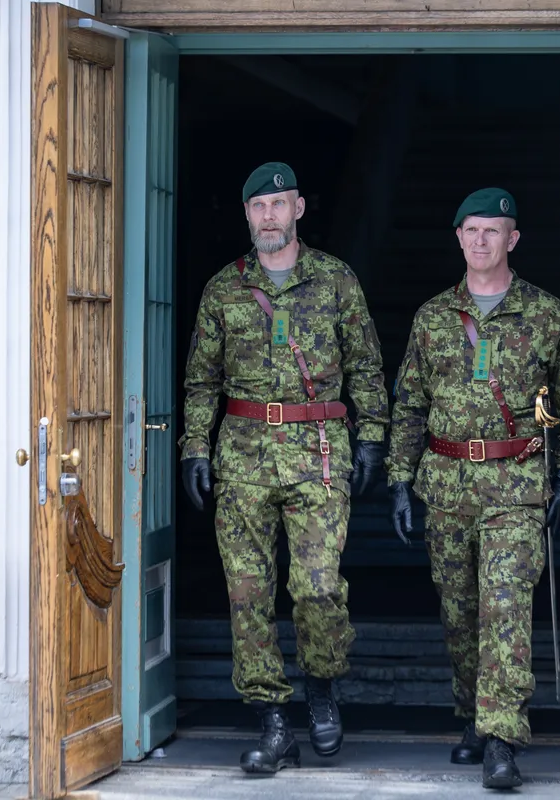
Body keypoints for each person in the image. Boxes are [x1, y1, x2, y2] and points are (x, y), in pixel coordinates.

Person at [179, 161, 388, 773]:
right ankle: (272, 721)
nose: (268, 216)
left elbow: (368, 367)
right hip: (243, 453)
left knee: (318, 589)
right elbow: (201, 378)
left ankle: (322, 685)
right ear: (247, 215)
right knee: (248, 596)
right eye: (257, 207)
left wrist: (372, 438)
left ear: (299, 209)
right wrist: (194, 445)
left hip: (317, 453)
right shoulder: (224, 288)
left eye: (279, 205)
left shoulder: (336, 281)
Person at [385, 188, 560, 789]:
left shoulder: (545, 314)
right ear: (458, 238)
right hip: (446, 485)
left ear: (513, 240)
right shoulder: (432, 318)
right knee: (460, 611)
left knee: (505, 607)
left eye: (493, 230)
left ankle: (503, 737)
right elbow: (410, 407)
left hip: (516, 485)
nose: (481, 241)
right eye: (471, 230)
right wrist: (400, 481)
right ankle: (474, 716)